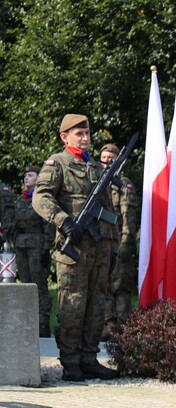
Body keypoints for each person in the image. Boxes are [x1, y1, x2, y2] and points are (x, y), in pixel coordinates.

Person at [32, 114, 118, 381]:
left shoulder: (96, 166)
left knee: (96, 303)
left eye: (87, 133)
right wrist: (64, 221)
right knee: (73, 303)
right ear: (65, 137)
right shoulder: (58, 163)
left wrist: (113, 245)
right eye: (78, 133)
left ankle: (89, 358)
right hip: (75, 247)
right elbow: (41, 196)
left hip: (100, 246)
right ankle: (70, 362)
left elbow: (109, 209)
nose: (85, 137)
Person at [99, 143, 140, 338]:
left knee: (121, 287)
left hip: (119, 241)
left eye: (110, 158)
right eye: (103, 158)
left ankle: (124, 327)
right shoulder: (98, 183)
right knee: (105, 285)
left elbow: (128, 217)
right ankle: (109, 326)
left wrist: (125, 243)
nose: (106, 161)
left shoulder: (124, 185)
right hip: (102, 241)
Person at [12, 165, 55, 337]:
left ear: (38, 178)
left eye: (30, 175)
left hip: (37, 247)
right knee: (25, 284)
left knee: (39, 285)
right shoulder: (20, 201)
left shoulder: (42, 198)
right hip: (21, 247)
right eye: (25, 175)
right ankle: (28, 321)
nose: (26, 178)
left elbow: (48, 225)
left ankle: (43, 322)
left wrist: (46, 248)